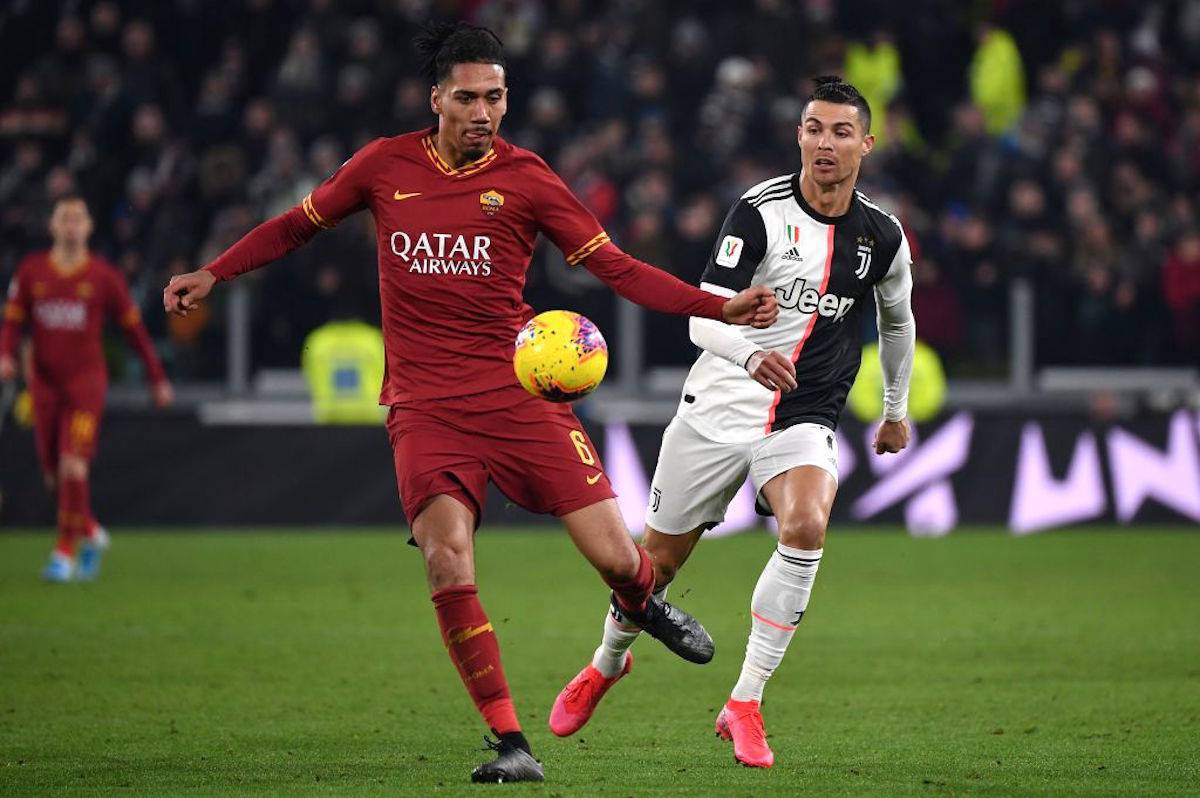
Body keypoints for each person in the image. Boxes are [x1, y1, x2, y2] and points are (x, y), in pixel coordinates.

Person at [162, 22, 778, 784]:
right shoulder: (384, 166)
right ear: (437, 100)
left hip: (519, 396)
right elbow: (297, 225)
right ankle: (512, 742)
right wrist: (215, 274)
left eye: (495, 96)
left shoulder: (527, 179)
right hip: (425, 407)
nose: (484, 111)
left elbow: (616, 268)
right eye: (469, 98)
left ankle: (642, 602)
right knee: (448, 562)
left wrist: (718, 309)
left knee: (620, 558)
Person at [548, 77, 916, 770]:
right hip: (720, 403)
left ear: (867, 143)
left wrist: (895, 411)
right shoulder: (758, 212)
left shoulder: (883, 236)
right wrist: (750, 353)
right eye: (813, 128)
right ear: (799, 136)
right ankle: (606, 663)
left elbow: (899, 321)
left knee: (807, 526)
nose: (825, 143)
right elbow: (700, 316)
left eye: (841, 132)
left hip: (804, 411)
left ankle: (745, 701)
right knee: (653, 568)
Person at [0, 195, 173, 582]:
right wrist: (6, 355)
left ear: (89, 228)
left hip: (85, 383)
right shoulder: (31, 272)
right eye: (65, 219)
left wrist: (157, 378)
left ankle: (64, 553)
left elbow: (135, 332)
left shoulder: (103, 277)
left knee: (73, 466)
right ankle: (92, 533)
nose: (71, 226)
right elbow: (13, 322)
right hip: (43, 384)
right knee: (54, 479)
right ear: (53, 226)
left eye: (78, 219)